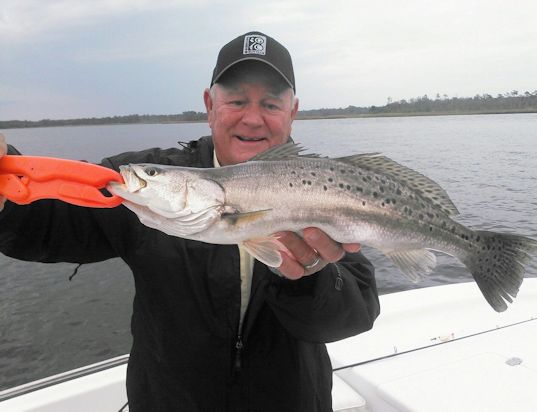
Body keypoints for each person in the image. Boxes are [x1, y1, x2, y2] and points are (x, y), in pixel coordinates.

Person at [0, 32, 380, 411]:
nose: (252, 118)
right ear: (209, 105)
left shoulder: (328, 189)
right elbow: (50, 219)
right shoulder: (151, 187)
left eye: (270, 103)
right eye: (235, 100)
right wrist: (5, 189)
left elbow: (350, 317)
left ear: (293, 112)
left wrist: (309, 276)